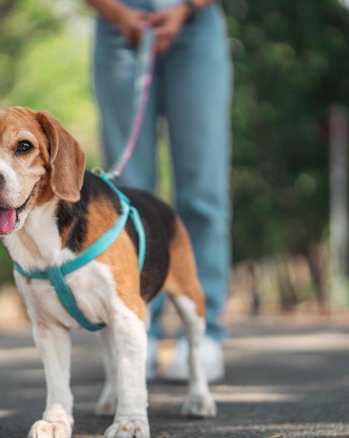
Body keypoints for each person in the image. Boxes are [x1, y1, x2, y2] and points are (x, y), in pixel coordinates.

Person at [86, 0, 232, 382]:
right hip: (117, 24)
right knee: (124, 197)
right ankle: (136, 328)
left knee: (203, 191)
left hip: (196, 23)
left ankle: (203, 334)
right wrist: (117, 13)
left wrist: (185, 8)